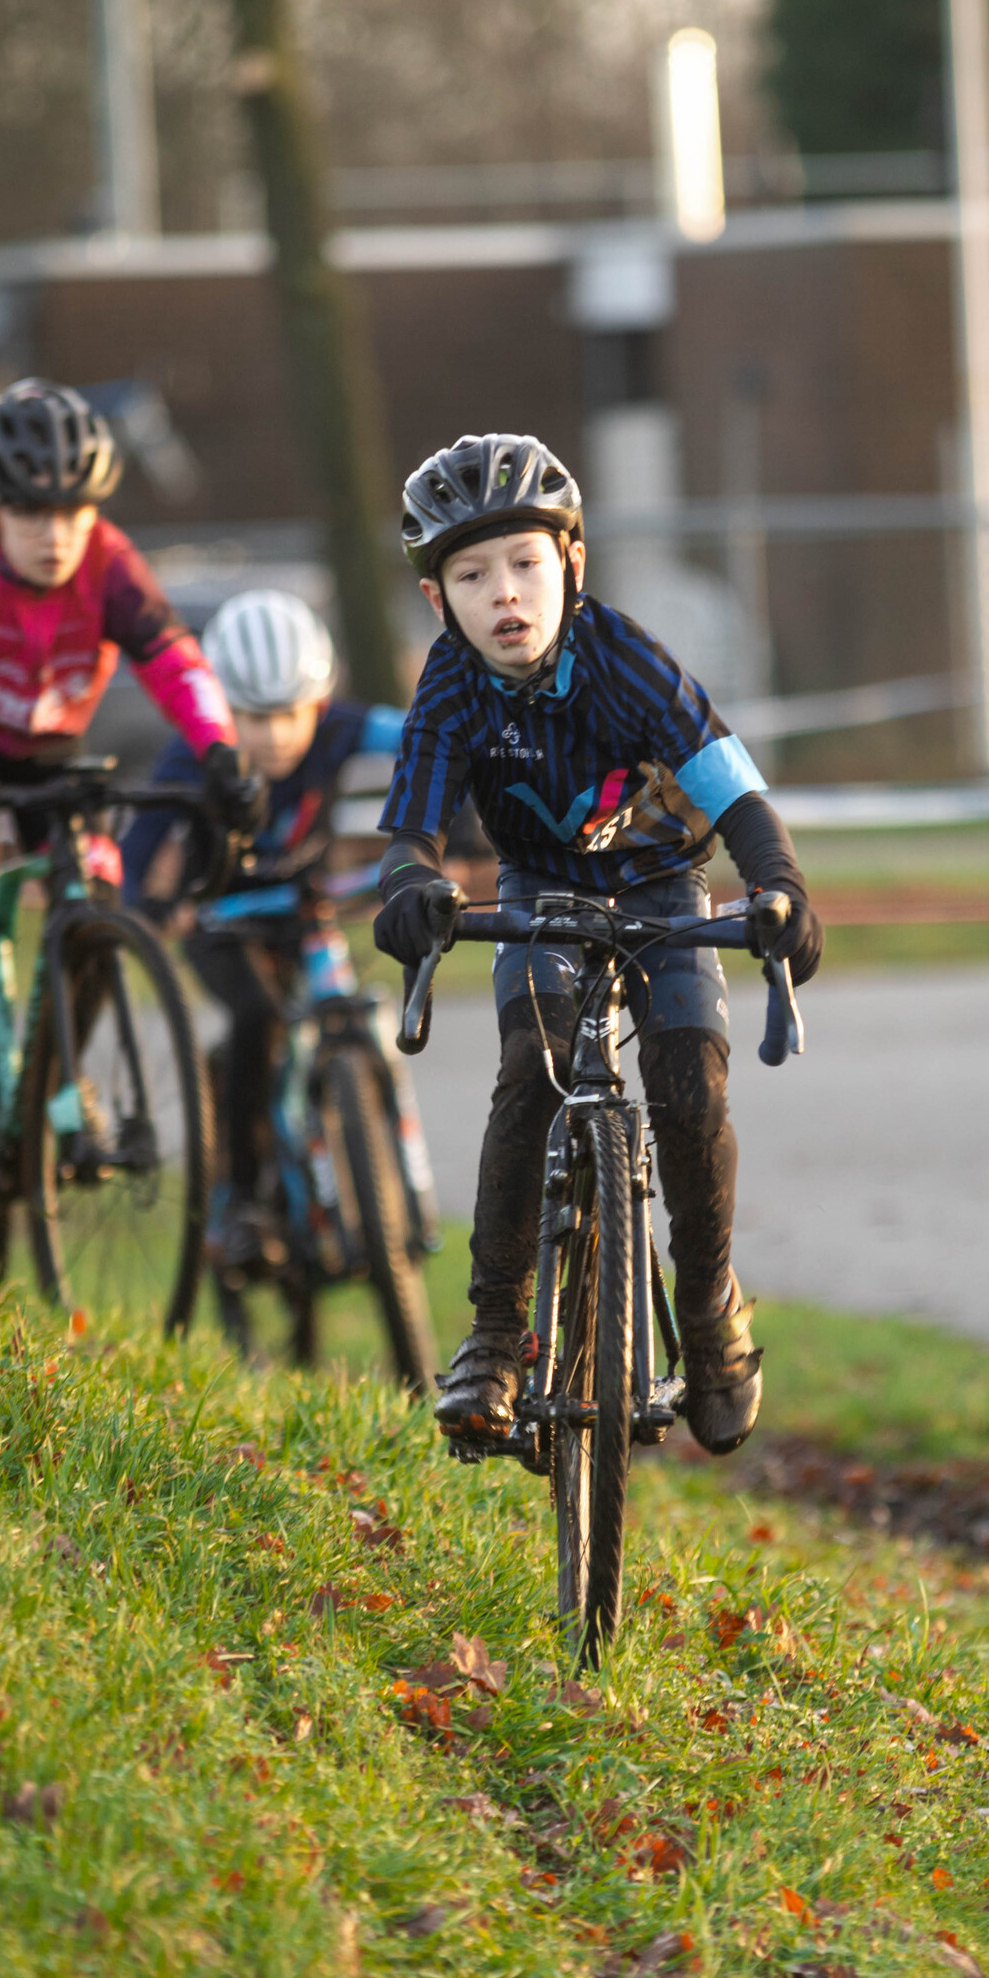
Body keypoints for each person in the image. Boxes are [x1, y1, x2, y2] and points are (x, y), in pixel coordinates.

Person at [372, 429, 822, 1458]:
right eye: (472, 575)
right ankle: (494, 1337)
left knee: (689, 1083)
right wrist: (408, 888)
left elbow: (730, 786)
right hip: (539, 890)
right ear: (439, 601)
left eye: (526, 563)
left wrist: (778, 884)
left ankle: (707, 1309)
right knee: (528, 1073)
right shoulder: (449, 684)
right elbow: (412, 826)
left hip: (663, 884)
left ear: (570, 563)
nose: (506, 594)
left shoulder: (622, 658)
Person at [0, 377, 261, 1162]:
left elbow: (176, 663)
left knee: (94, 888)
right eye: (31, 513)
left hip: (52, 748)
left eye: (74, 511)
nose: (56, 535)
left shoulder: (109, 561)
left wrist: (220, 752)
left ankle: (53, 1083)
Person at [121, 586, 405, 1278]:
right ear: (221, 707)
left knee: (344, 1011)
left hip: (304, 912)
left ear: (319, 700)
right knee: (258, 1016)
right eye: (252, 717)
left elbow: (433, 740)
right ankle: (243, 1198)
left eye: (290, 715)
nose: (275, 736)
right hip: (218, 923)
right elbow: (140, 844)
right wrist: (150, 909)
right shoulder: (194, 755)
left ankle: (371, 1171)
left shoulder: (341, 727)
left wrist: (457, 830)